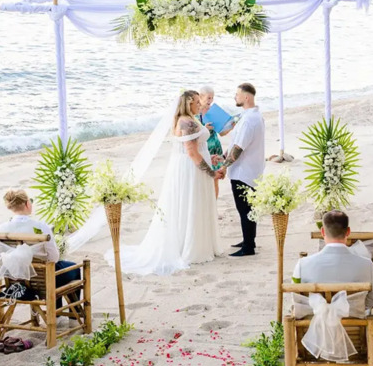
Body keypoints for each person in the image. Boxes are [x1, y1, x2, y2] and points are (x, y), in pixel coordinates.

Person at [110, 90, 224, 275]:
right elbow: (191, 152)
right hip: (190, 170)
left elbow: (198, 148)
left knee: (195, 204)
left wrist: (212, 157)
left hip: (192, 166)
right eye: (196, 102)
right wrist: (211, 173)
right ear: (187, 104)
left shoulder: (191, 119)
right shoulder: (186, 121)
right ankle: (190, 248)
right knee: (191, 204)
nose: (199, 104)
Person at [0, 189, 81, 304]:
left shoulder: (0, 229)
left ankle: (58, 313)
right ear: (27, 204)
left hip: (17, 280)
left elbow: (0, 256)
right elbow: (53, 258)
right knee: (73, 268)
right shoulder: (40, 227)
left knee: (54, 269)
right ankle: (73, 316)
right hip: (44, 279)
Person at [292, 210, 373, 313]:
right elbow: (369, 302)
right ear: (348, 231)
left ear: (322, 231)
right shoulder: (367, 265)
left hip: (313, 324)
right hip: (354, 325)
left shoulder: (302, 264)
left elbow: (297, 300)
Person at [221, 83, 265, 257]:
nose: (235, 97)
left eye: (237, 94)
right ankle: (249, 240)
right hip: (251, 169)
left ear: (246, 97)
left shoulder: (248, 120)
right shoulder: (253, 116)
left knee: (245, 209)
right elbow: (235, 143)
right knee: (248, 208)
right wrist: (224, 156)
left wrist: (224, 167)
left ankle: (248, 246)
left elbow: (239, 148)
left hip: (244, 171)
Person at [197, 85, 233, 200]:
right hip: (203, 148)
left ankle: (214, 206)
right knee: (202, 178)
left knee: (215, 179)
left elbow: (222, 133)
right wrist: (205, 129)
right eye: (208, 98)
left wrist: (231, 126)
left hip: (215, 148)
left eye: (212, 98)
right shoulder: (195, 113)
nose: (210, 101)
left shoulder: (214, 112)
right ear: (201, 97)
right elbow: (192, 135)